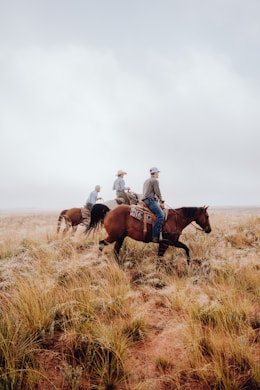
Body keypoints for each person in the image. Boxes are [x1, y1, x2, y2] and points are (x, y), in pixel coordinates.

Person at [142, 167, 164, 243]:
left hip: (145, 200)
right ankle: (155, 236)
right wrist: (161, 199)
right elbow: (157, 191)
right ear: (155, 173)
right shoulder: (155, 181)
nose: (158, 174)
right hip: (150, 201)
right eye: (157, 173)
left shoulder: (146, 181)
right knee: (161, 215)